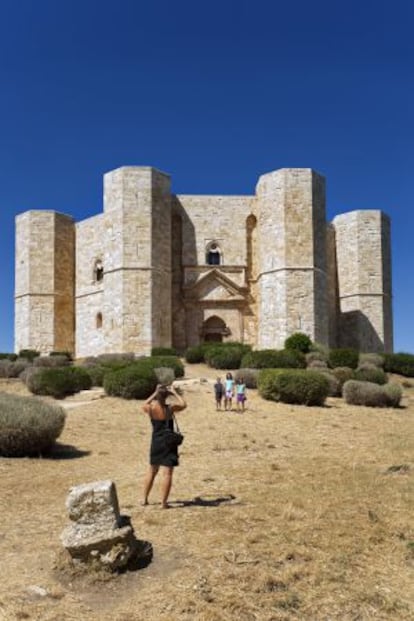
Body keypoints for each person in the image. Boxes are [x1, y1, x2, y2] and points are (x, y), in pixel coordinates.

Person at [141, 384, 187, 508]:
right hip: (169, 442)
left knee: (152, 470)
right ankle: (163, 503)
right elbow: (183, 404)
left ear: (157, 396)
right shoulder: (170, 409)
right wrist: (174, 392)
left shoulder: (150, 409)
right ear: (167, 397)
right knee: (167, 473)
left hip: (156, 442)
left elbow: (144, 404)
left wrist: (155, 393)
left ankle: (144, 499)